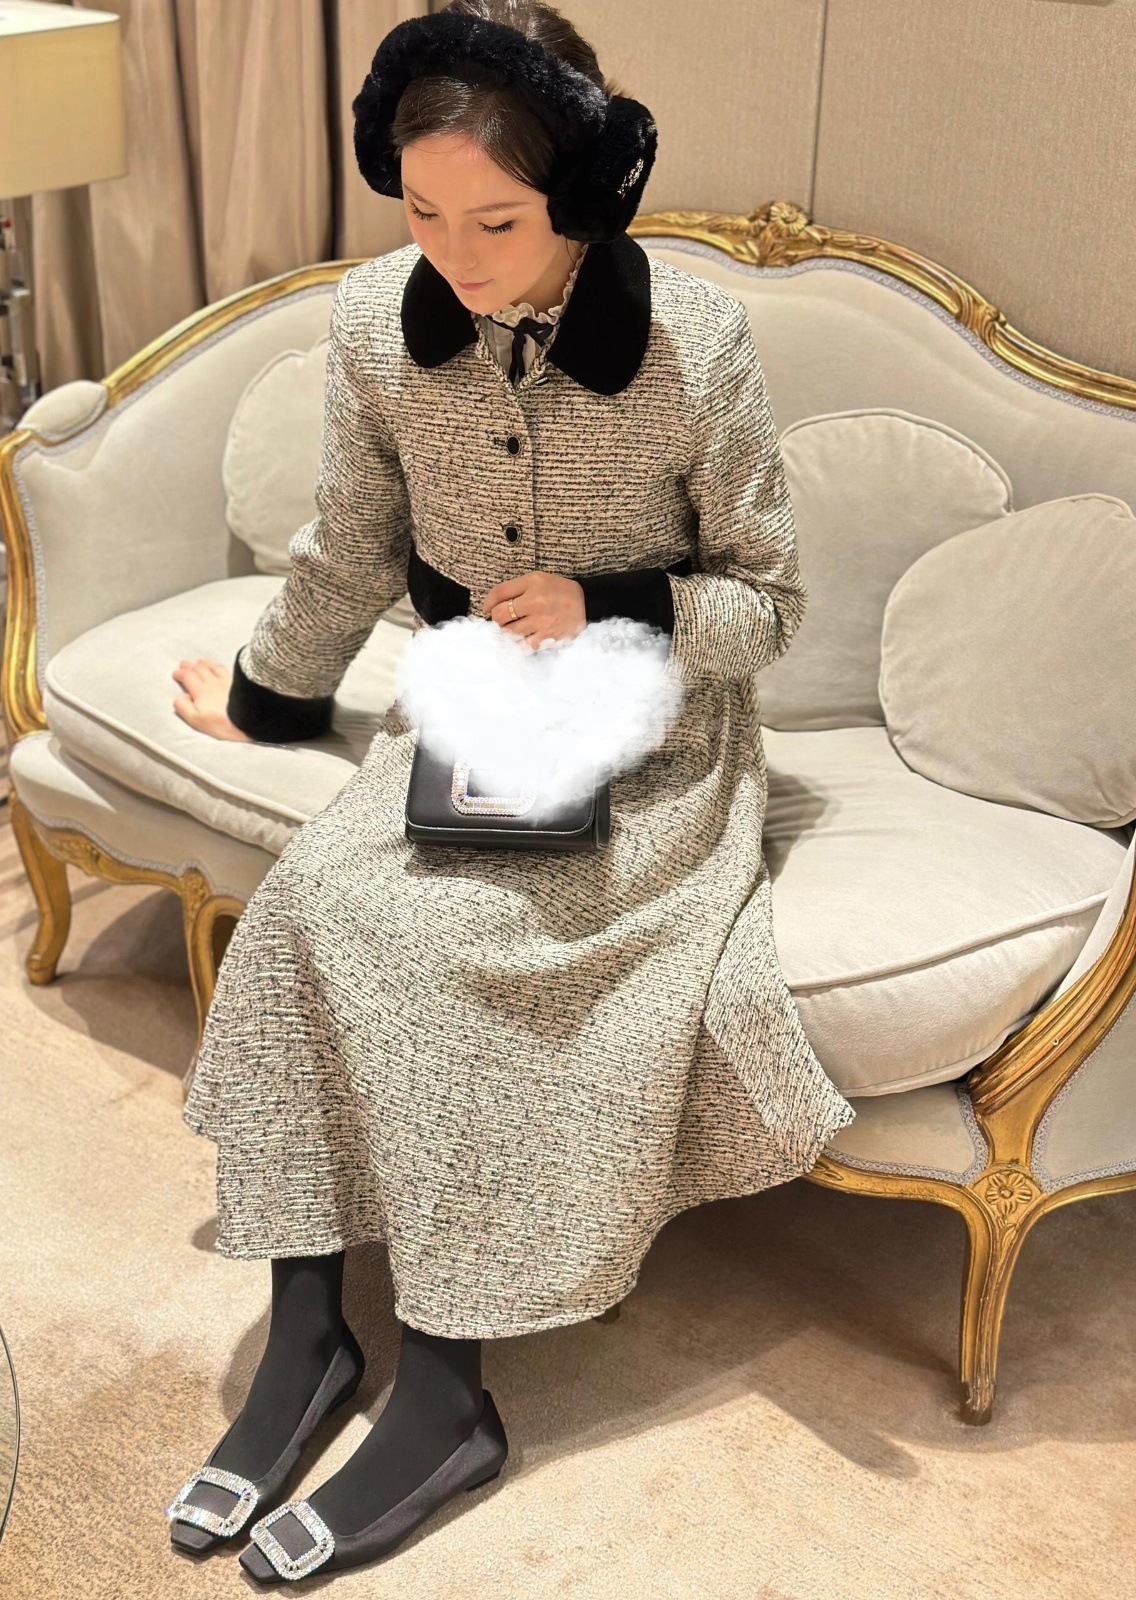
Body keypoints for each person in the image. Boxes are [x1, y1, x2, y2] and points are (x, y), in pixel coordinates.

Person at [165, 0, 857, 1583]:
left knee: (457, 959)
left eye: (498, 221)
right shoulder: (372, 325)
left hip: (653, 748)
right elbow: (346, 547)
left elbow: (769, 608)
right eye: (422, 213)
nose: (455, 256)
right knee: (306, 913)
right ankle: (307, 1347)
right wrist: (268, 698)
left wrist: (616, 602)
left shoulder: (694, 345)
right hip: (468, 722)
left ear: (587, 195)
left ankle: (449, 1396)